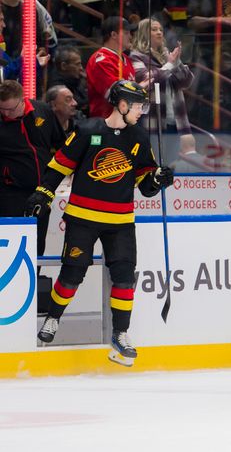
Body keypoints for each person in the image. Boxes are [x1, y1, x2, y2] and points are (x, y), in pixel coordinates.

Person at [26, 81, 175, 367]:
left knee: (124, 277)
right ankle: (53, 318)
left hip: (120, 221)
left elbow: (146, 184)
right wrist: (44, 191)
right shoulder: (87, 131)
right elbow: (60, 164)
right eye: (137, 106)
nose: (142, 111)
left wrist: (157, 179)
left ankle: (120, 333)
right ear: (121, 105)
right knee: (72, 273)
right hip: (83, 217)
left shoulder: (140, 139)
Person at [0, 80, 66, 256]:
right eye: (2, 109)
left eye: (11, 109)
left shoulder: (43, 111)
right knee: (12, 245)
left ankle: (35, 279)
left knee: (37, 244)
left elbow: (61, 143)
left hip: (41, 192)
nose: (6, 113)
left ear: (23, 101)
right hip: (10, 193)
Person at [129, 18, 194, 142]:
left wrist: (178, 62)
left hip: (176, 120)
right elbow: (148, 80)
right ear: (144, 33)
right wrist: (170, 65)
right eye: (154, 30)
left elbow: (187, 82)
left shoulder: (166, 55)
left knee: (173, 160)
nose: (159, 32)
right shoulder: (136, 56)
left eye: (161, 30)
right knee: (155, 159)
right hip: (154, 120)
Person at [86, 16, 136, 118]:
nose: (130, 37)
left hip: (124, 122)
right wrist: (141, 88)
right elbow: (116, 95)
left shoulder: (125, 58)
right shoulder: (101, 60)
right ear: (113, 35)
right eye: (126, 33)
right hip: (105, 124)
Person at [49, 46, 88, 116]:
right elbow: (80, 103)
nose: (81, 68)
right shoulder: (58, 88)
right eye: (77, 64)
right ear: (64, 66)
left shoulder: (75, 81)